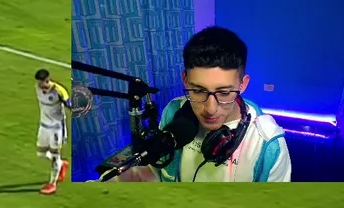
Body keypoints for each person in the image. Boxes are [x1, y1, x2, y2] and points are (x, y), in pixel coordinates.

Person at [117, 26, 291, 182]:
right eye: (199, 91)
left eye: (224, 93)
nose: (210, 109)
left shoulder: (268, 145)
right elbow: (157, 173)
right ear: (185, 80)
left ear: (242, 85)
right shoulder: (173, 111)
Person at [34, 68, 71, 195]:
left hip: (56, 127)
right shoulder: (38, 88)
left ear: (47, 80)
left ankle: (52, 184)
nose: (39, 85)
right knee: (41, 153)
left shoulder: (58, 91)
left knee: (55, 155)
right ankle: (62, 164)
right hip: (43, 126)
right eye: (38, 82)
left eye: (41, 82)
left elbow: (69, 104)